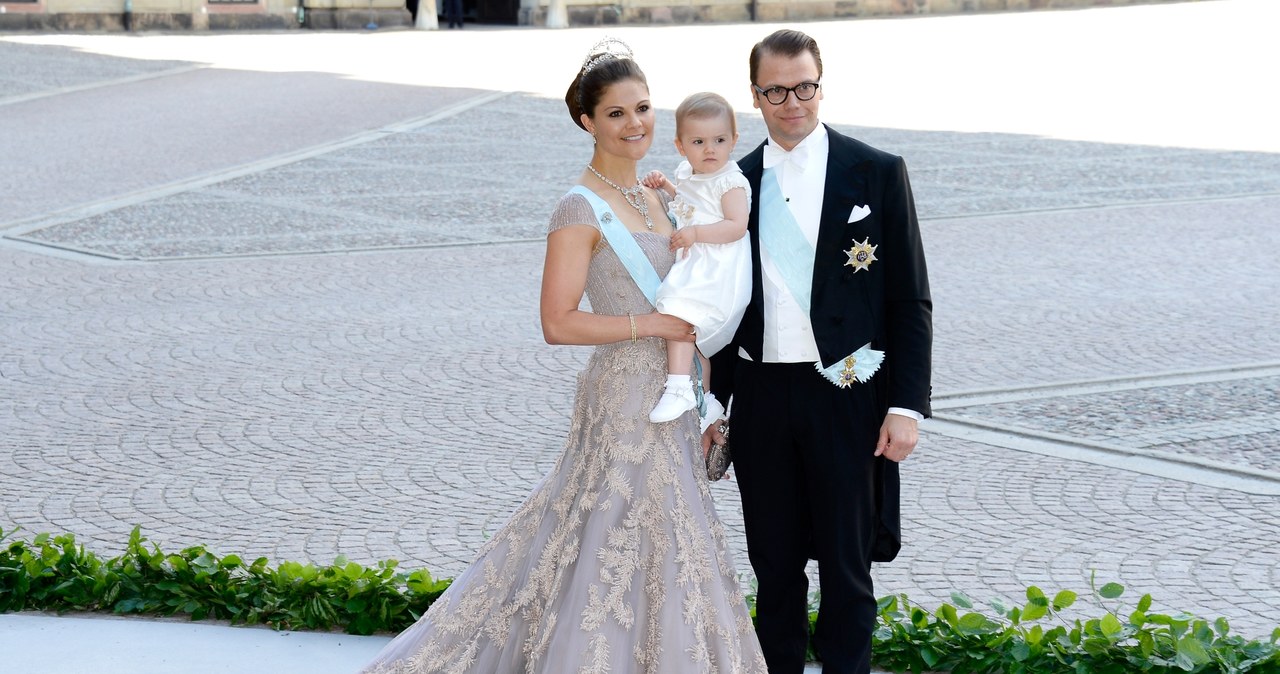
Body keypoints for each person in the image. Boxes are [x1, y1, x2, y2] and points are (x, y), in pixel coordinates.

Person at [360, 38, 767, 674]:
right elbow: (557, 322)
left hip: (678, 392)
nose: (635, 124)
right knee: (610, 527)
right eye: (616, 113)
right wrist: (650, 323)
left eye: (643, 108)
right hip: (625, 394)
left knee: (663, 531)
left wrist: (708, 393)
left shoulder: (660, 196)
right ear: (587, 121)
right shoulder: (578, 207)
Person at [704, 29, 933, 674]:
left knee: (847, 569)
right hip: (762, 396)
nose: (792, 101)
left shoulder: (878, 171)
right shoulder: (733, 185)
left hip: (849, 391)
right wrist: (709, 405)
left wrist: (907, 407)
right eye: (775, 90)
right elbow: (714, 310)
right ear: (755, 96)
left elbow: (909, 300)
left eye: (803, 86)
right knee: (773, 570)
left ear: (820, 84)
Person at [640, 92, 752, 426]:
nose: (710, 149)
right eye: (699, 141)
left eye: (719, 140)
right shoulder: (690, 173)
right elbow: (691, 205)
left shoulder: (730, 181)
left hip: (718, 267)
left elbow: (736, 226)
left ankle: (678, 388)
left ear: (734, 140)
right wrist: (668, 188)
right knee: (694, 342)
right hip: (697, 260)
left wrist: (695, 234)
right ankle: (707, 402)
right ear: (680, 146)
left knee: (679, 313)